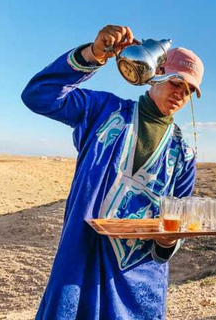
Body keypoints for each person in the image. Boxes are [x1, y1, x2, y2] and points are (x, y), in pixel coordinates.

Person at [21, 25, 204, 320]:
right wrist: (93, 54)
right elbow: (38, 96)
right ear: (155, 74)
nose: (180, 95)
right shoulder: (103, 111)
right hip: (81, 262)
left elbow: (179, 216)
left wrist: (169, 241)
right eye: (175, 82)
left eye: (188, 91)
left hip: (138, 282)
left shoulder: (183, 153)